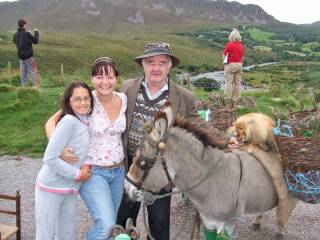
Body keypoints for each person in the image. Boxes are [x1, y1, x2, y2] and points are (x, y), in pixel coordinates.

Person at [115, 42, 202, 240]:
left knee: (159, 226)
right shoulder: (128, 87)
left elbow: (198, 124)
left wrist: (224, 140)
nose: (156, 68)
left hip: (160, 171)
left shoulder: (184, 97)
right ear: (143, 65)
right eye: (150, 62)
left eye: (162, 62)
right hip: (132, 168)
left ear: (170, 65)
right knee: (123, 222)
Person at [45, 57, 127, 240]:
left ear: (116, 78)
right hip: (93, 172)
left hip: (118, 171)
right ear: (92, 79)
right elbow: (51, 122)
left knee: (110, 224)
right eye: (99, 77)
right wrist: (60, 148)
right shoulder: (86, 100)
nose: (105, 82)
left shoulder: (123, 99)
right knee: (106, 227)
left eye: (109, 76)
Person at [35, 81, 93, 240]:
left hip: (70, 189)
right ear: (68, 102)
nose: (83, 103)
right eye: (77, 99)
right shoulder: (69, 121)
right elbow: (50, 158)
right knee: (45, 235)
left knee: (66, 234)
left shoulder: (86, 120)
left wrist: (85, 166)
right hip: (49, 187)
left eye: (86, 98)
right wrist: (77, 174)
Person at [13, 19, 40, 88]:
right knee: (33, 70)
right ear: (24, 25)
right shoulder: (27, 33)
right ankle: (35, 87)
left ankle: (24, 87)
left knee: (23, 72)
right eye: (26, 24)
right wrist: (36, 32)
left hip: (20, 56)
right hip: (28, 56)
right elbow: (36, 41)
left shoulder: (16, 34)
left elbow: (14, 41)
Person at [223, 28, 244, 108]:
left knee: (228, 82)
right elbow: (240, 56)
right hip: (239, 65)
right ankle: (236, 100)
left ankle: (227, 100)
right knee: (237, 83)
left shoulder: (230, 44)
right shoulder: (241, 45)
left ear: (231, 36)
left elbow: (224, 55)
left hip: (231, 64)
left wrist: (225, 63)